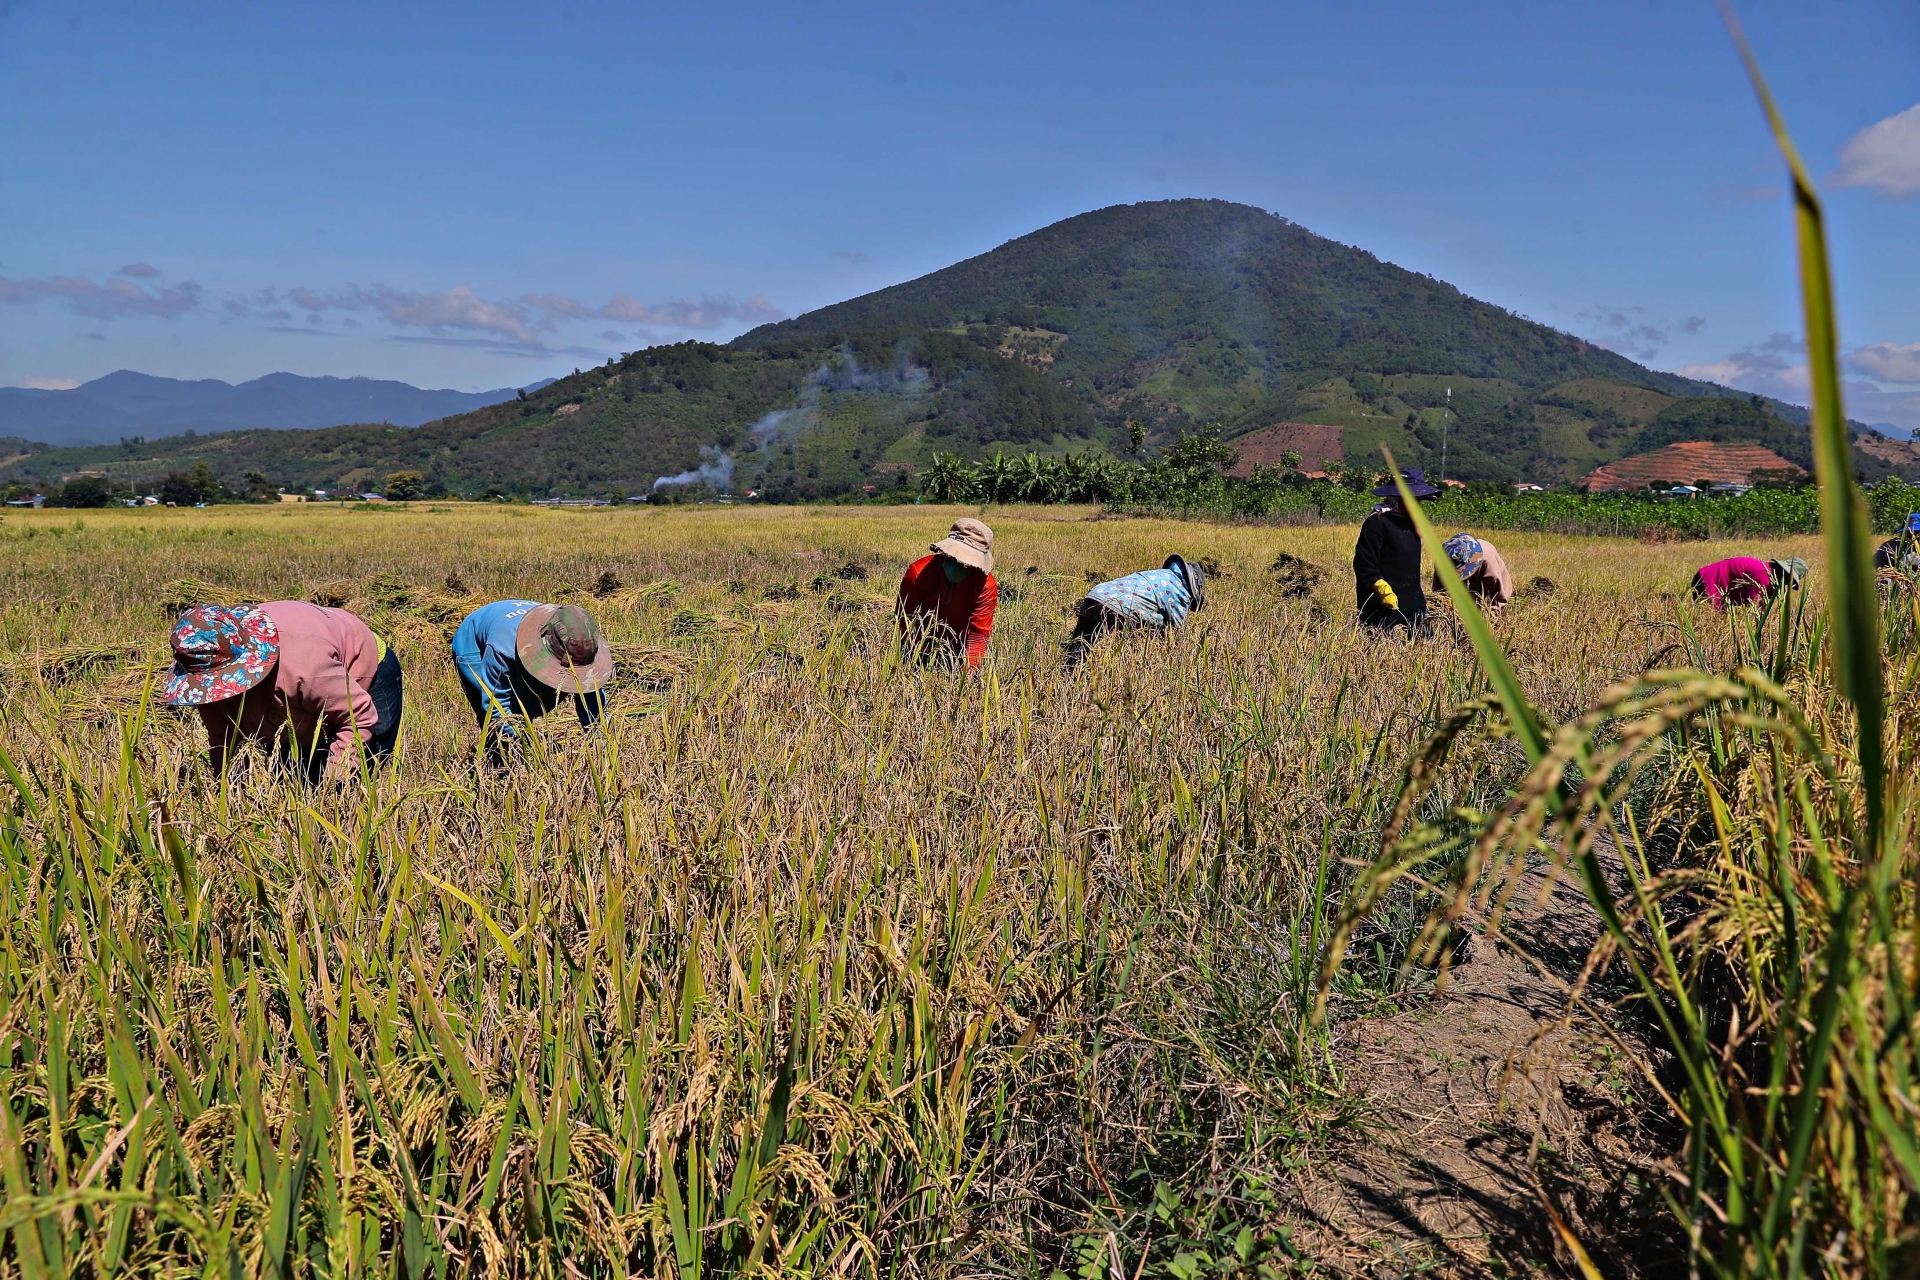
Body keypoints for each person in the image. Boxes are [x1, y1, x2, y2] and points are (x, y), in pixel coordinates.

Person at [162, 600, 402, 784]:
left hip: (362, 663)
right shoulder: (202, 673)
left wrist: (334, 789)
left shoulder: (304, 668)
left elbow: (357, 716)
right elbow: (223, 738)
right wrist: (227, 792)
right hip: (305, 674)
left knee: (364, 765)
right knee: (296, 769)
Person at [451, 600, 612, 765]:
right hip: (473, 646)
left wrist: (600, 743)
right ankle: (499, 765)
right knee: (503, 718)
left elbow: (591, 697)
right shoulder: (503, 649)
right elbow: (498, 709)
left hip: (510, 629)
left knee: (537, 699)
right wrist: (537, 749)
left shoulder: (578, 637)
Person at [1065, 554, 1207, 668]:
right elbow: (1172, 630)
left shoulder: (1160, 574)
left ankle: (1069, 675)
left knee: (1080, 647)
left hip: (1096, 595)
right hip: (1120, 606)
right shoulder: (1180, 590)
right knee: (1153, 631)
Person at [896, 518, 998, 668]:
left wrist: (968, 671)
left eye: (966, 562)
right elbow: (905, 617)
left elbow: (978, 633)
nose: (959, 564)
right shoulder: (919, 573)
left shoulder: (985, 586)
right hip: (917, 643)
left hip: (958, 649)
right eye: (954, 558)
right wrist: (921, 655)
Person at [1353, 468, 1437, 633]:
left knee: (1426, 647)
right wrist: (1382, 589)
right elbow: (1364, 564)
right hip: (1384, 607)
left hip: (1413, 605)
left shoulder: (1411, 524)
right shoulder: (1377, 523)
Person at [1691, 555, 1807, 609]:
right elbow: (1753, 607)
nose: (1788, 583)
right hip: (1707, 581)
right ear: (1784, 572)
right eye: (1789, 579)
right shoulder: (1764, 575)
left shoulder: (1773, 581)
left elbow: (1763, 608)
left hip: (1714, 585)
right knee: (1710, 618)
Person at [1435, 532, 1514, 607]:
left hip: (1493, 582)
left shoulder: (1488, 564)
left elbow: (1497, 600)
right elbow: (1439, 591)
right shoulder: (1443, 557)